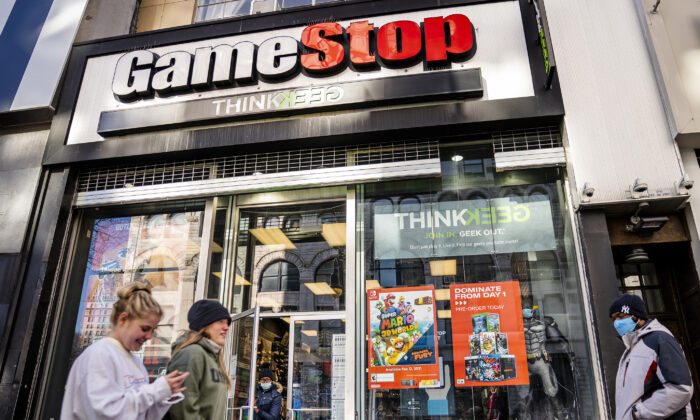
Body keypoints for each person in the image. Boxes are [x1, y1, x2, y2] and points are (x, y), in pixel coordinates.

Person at [61, 282, 188, 419]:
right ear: (123, 319)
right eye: (145, 329)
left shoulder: (136, 362)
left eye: (153, 330)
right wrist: (156, 391)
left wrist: (164, 397)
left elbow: (140, 415)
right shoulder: (99, 355)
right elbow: (106, 413)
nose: (149, 336)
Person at [609, 294, 693, 420]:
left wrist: (638, 414)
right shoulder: (631, 350)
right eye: (613, 319)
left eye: (620, 316)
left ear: (637, 316)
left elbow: (681, 388)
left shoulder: (660, 340)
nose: (616, 323)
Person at [166, 299, 231, 420]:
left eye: (227, 323)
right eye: (221, 321)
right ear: (205, 324)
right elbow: (183, 411)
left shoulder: (212, 357)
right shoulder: (191, 354)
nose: (226, 327)